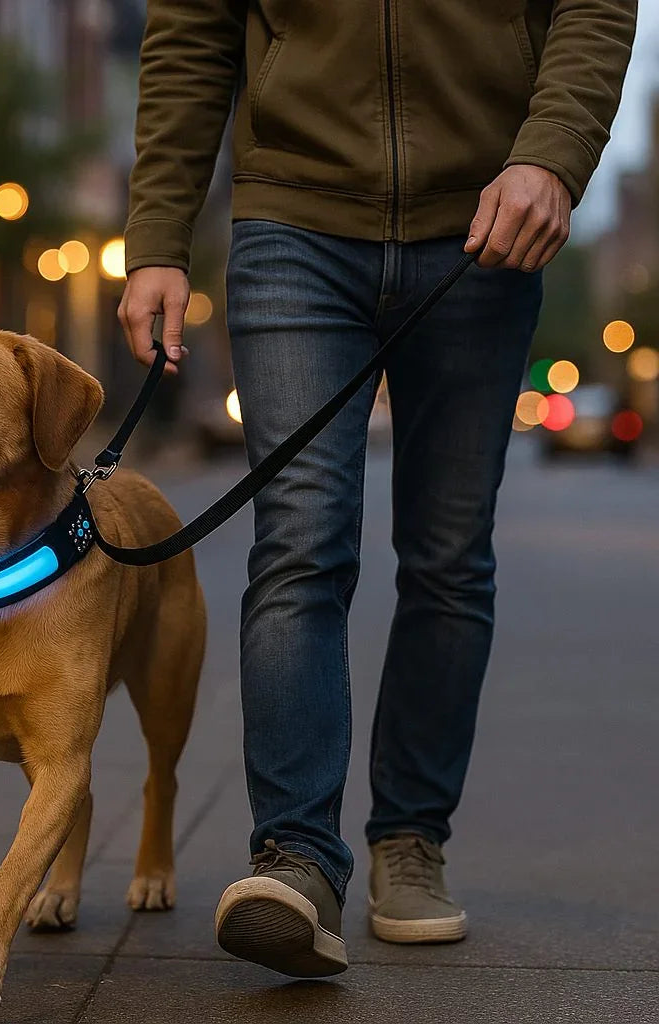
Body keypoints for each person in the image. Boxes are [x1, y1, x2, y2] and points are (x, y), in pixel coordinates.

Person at [118, 0, 636, 977]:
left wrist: (552, 155)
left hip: (488, 215)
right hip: (293, 216)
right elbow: (190, 25)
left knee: (446, 555)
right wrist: (156, 239)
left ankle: (410, 839)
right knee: (300, 536)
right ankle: (297, 858)